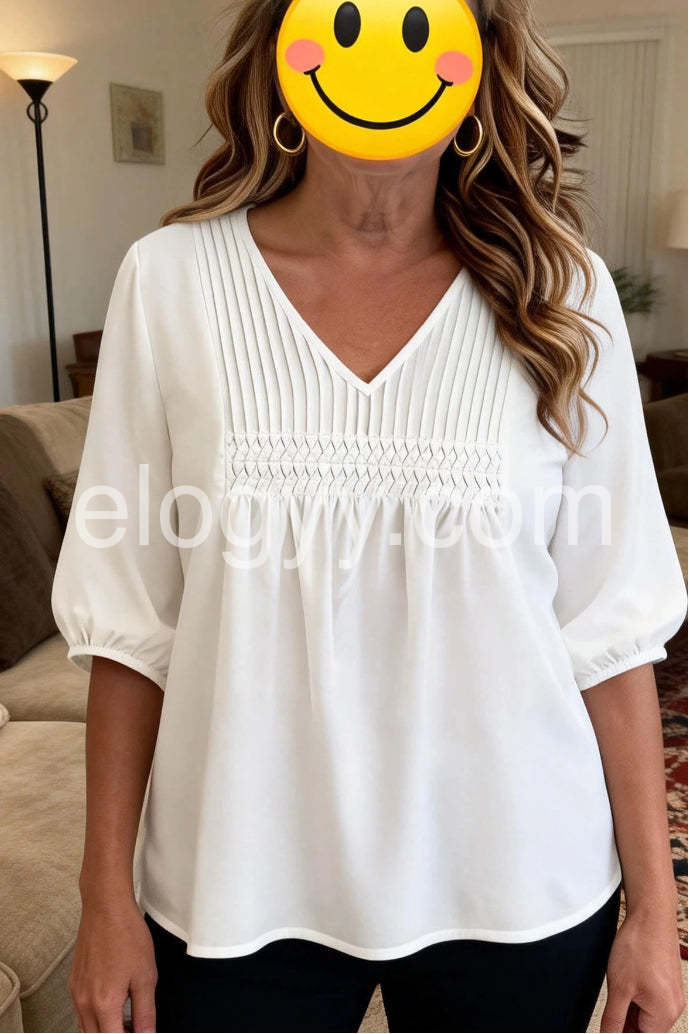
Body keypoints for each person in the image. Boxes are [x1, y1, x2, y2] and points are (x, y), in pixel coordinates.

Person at [51, 0, 688, 1031]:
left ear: (476, 63)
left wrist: (655, 914)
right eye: (345, 20)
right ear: (282, 55)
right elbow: (129, 627)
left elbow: (609, 631)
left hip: (519, 877)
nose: (380, 58)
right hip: (234, 885)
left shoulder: (560, 295)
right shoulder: (169, 285)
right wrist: (103, 896)